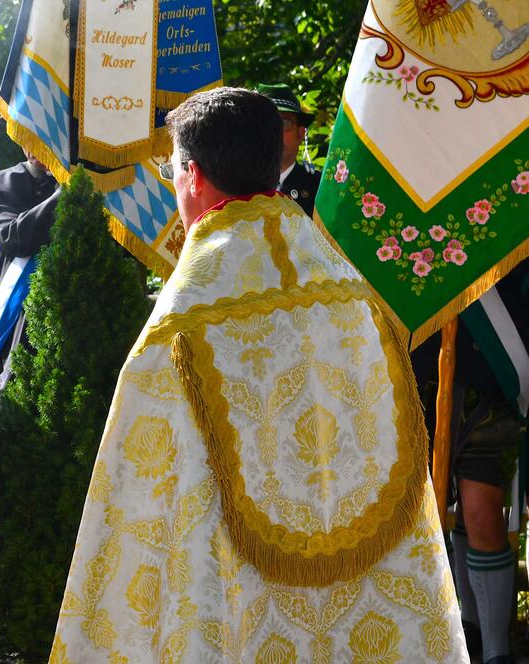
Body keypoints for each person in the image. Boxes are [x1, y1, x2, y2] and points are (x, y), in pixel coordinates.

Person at [49, 87, 465, 662]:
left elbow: (137, 496)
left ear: (191, 175)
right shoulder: (351, 293)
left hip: (239, 605)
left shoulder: (186, 316)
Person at [411, 260, 529, 664]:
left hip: (490, 364)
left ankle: (496, 651)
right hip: (420, 365)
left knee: (482, 513)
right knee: (442, 511)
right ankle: (469, 631)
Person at [0, 150, 60, 358]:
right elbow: (14, 238)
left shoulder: (99, 183)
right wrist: (69, 191)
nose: (36, 146)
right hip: (23, 321)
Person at [257, 83, 322, 216]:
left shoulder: (320, 189)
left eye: (284, 124)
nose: (273, 132)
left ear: (301, 133)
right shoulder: (234, 186)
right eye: (264, 124)